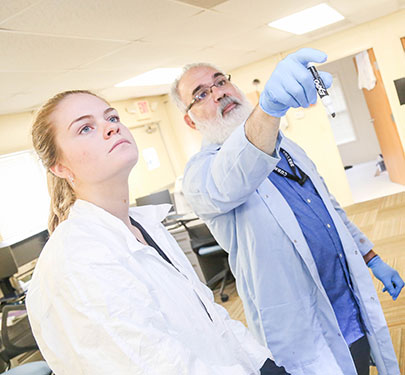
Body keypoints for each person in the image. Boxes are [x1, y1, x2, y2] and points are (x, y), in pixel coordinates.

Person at [170, 48, 404, 375]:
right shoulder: (201, 174)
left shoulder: (285, 145)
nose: (219, 92)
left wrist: (371, 257)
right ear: (189, 119)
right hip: (306, 331)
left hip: (350, 306)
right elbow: (234, 175)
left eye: (221, 81)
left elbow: (329, 209)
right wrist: (269, 107)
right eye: (202, 94)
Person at [26, 90, 285, 374]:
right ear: (60, 167)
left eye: (111, 117)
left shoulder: (144, 226)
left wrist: (262, 363)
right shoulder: (76, 260)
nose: (111, 126)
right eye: (85, 128)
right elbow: (151, 365)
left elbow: (211, 317)